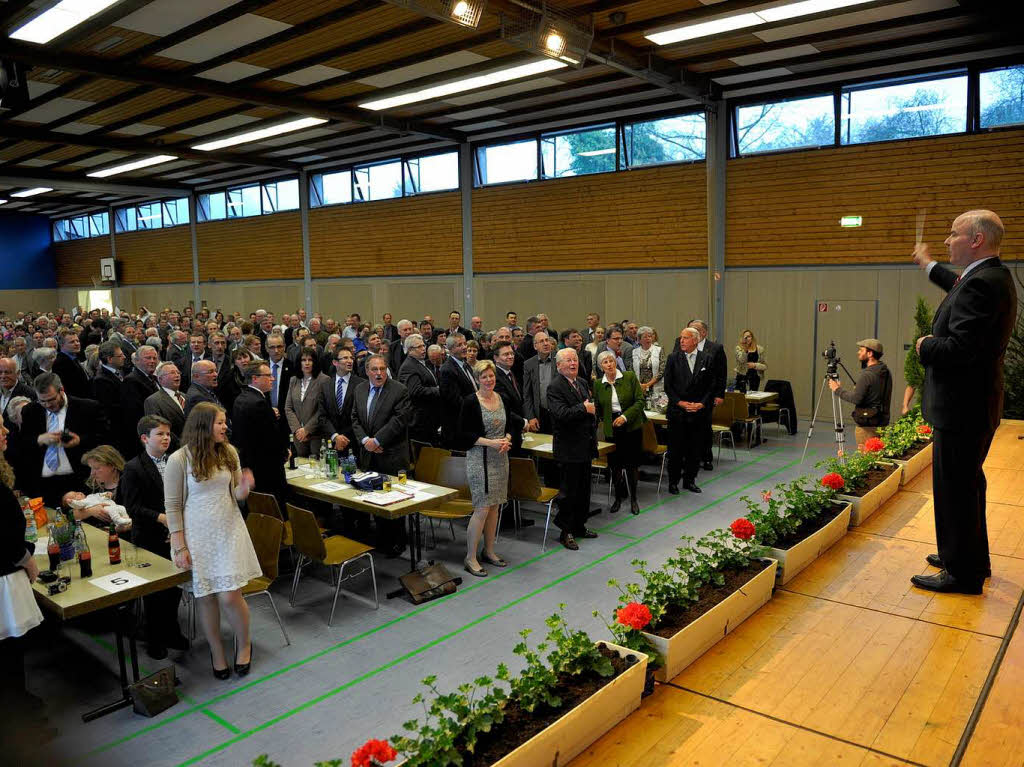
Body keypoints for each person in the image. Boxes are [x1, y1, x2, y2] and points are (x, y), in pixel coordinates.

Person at [910, 209, 1016, 595]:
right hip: (974, 406)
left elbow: (961, 348)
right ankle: (969, 555)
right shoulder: (990, 276)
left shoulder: (981, 284)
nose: (946, 240)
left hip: (961, 408)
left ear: (976, 240)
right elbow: (956, 284)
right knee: (967, 486)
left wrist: (924, 345)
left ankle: (963, 572)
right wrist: (927, 264)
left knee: (955, 488)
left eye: (953, 234)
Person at [166, 403, 260, 679]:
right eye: (220, 422)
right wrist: (179, 545)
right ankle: (217, 652)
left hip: (228, 529)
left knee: (230, 595)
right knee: (206, 597)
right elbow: (172, 505)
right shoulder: (179, 459)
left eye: (224, 422)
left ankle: (244, 645)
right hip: (197, 534)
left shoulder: (229, 452)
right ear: (203, 425)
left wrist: (244, 487)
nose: (224, 427)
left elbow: (235, 493)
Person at [117, 415, 187, 659]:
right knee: (156, 593)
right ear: (145, 438)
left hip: (175, 535)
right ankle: (155, 638)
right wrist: (161, 518)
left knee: (175, 587)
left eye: (168, 434)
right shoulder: (133, 467)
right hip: (150, 536)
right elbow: (132, 507)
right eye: (160, 434)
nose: (166, 438)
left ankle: (172, 631)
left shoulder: (175, 461)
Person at [0, 425, 48, 749]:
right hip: (4, 576)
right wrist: (26, 557)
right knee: (7, 655)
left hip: (8, 572)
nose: (5, 429)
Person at [457, 360, 522, 577]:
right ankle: (470, 557)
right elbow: (463, 434)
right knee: (482, 508)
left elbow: (512, 423)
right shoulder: (470, 401)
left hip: (500, 458)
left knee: (495, 506)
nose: (489, 380)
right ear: (477, 379)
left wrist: (508, 438)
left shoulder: (501, 398)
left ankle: (490, 550)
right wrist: (490, 442)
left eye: (491, 376)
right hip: (479, 458)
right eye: (484, 377)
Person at [350, 354, 411, 555]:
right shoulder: (359, 389)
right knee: (374, 499)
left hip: (391, 455)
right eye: (375, 370)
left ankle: (398, 542)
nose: (379, 373)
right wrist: (365, 442)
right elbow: (355, 418)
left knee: (393, 501)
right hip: (369, 455)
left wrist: (376, 441)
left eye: (383, 369)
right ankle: (381, 539)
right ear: (367, 371)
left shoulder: (399, 390)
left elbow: (399, 420)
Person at [18, 372, 106, 505]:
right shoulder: (30, 411)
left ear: (61, 390)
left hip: (78, 477)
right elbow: (21, 444)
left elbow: (103, 437)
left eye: (51, 399)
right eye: (42, 401)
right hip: (44, 482)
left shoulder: (88, 407)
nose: (47, 405)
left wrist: (80, 441)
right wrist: (39, 439)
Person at [547, 348, 598, 550]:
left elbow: (592, 407)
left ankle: (579, 525)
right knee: (569, 493)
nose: (573, 363)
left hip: (585, 446)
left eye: (575, 360)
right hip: (568, 448)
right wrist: (583, 408)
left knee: (584, 490)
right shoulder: (555, 387)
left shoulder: (582, 383)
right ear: (559, 365)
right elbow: (560, 414)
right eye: (568, 360)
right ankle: (565, 531)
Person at [594, 350, 647, 515]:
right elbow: (598, 407)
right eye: (605, 362)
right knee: (614, 466)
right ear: (601, 366)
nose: (609, 364)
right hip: (612, 428)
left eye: (611, 360)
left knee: (631, 465)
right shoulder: (598, 384)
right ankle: (618, 497)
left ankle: (633, 499)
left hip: (631, 425)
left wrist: (625, 417)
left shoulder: (629, 376)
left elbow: (640, 401)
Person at [232, 362, 290, 508]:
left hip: (251, 466)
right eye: (268, 375)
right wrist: (284, 453)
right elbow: (271, 437)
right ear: (255, 378)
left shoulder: (241, 398)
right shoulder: (258, 403)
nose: (273, 379)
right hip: (267, 469)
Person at [664, 327, 714, 494]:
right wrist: (680, 402)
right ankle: (673, 482)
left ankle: (690, 480)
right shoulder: (673, 358)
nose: (682, 341)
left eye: (685, 338)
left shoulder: (706, 358)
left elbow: (710, 386)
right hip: (678, 412)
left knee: (695, 449)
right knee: (675, 450)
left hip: (698, 413)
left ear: (695, 340)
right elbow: (668, 386)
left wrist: (702, 404)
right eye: (681, 338)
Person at [828, 338, 892, 449]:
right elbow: (877, 393)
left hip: (867, 428)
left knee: (867, 460)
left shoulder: (866, 375)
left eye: (861, 350)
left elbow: (856, 399)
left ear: (870, 353)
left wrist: (837, 389)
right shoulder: (885, 371)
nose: (858, 352)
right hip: (882, 423)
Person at [318, 347, 363, 456]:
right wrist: (335, 436)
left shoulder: (361, 385)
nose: (350, 361)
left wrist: (344, 438)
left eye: (351, 358)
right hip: (332, 442)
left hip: (353, 442)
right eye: (345, 358)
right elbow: (322, 416)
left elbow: (360, 416)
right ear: (335, 362)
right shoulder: (325, 385)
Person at [398, 333, 441, 446]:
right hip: (419, 421)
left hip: (428, 418)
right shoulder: (408, 366)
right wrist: (438, 390)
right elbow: (415, 391)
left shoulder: (420, 363)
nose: (423, 349)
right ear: (410, 350)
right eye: (419, 347)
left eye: (424, 346)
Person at [438, 334, 477, 448]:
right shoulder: (447, 370)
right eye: (459, 345)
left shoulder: (465, 364)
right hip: (457, 427)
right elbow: (455, 401)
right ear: (450, 349)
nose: (465, 347)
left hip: (468, 424)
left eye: (465, 343)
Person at [284, 348, 323, 458]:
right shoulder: (293, 380)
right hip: (298, 436)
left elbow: (322, 410)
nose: (307, 363)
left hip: (317, 435)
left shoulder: (324, 380)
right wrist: (298, 430)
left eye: (310, 360)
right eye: (303, 360)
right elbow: (288, 407)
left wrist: (307, 429)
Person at [144, 361, 186, 448]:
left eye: (178, 372)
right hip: (175, 449)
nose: (177, 375)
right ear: (160, 379)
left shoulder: (185, 396)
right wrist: (182, 445)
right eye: (172, 373)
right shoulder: (153, 401)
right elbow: (159, 429)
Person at [52, 329, 89, 398]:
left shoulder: (74, 357)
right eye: (72, 342)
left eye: (77, 341)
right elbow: (68, 389)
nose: (77, 344)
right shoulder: (60, 363)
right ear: (62, 345)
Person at [631, 326, 665, 401]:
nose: (648, 338)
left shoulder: (659, 350)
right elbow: (631, 370)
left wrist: (647, 385)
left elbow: (662, 370)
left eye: (650, 336)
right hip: (639, 386)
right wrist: (639, 385)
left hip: (655, 386)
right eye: (645, 337)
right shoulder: (634, 351)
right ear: (639, 339)